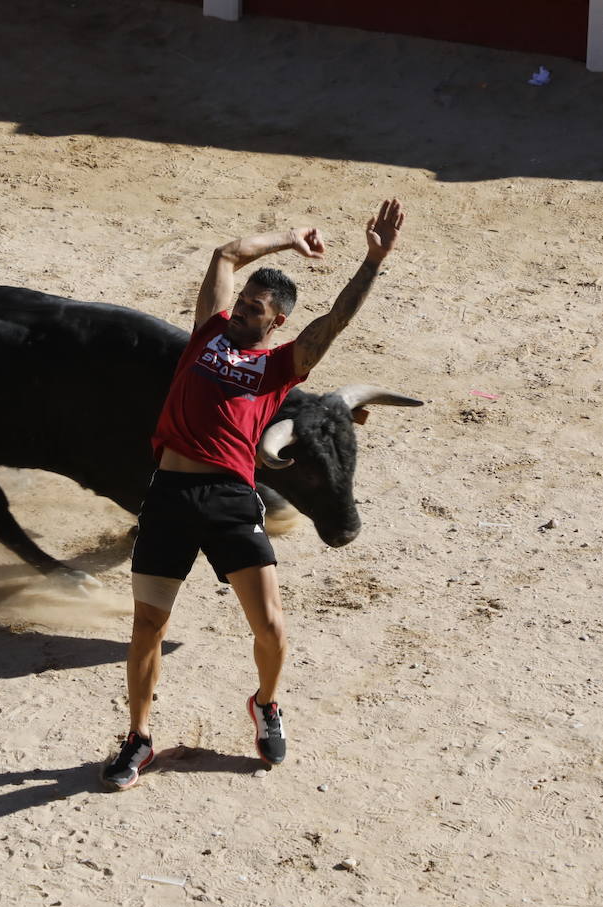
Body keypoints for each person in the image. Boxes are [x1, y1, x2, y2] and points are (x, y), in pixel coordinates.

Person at [101, 199, 406, 790]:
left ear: (277, 323)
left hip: (229, 500)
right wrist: (289, 239)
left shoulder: (279, 368)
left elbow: (336, 321)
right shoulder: (207, 333)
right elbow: (226, 254)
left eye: (253, 311)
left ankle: (266, 704)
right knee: (147, 627)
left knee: (269, 627)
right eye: (241, 304)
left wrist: (373, 260)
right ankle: (138, 739)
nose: (240, 313)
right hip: (167, 495)